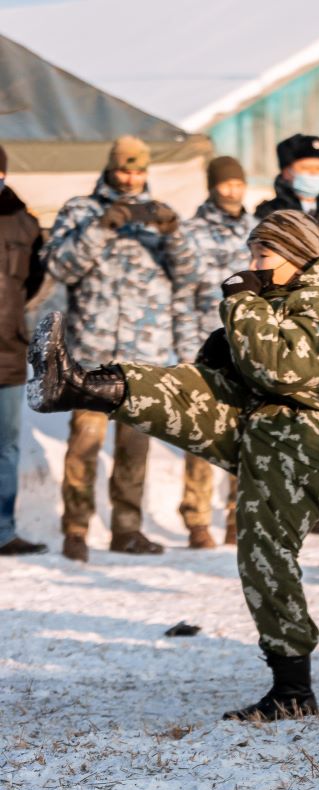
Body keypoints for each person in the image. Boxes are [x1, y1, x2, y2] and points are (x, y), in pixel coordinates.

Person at [28, 210, 319, 720]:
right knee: (188, 390)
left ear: (297, 258)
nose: (252, 265)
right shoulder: (283, 300)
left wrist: (241, 303)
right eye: (251, 254)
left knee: (265, 551)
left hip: (316, 443)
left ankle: (292, 692)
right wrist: (222, 353)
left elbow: (280, 369)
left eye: (264, 255)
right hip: (273, 428)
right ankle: (80, 386)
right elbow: (239, 372)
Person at [42, 136, 194, 562]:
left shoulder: (161, 215)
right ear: (110, 168)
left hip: (142, 356)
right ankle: (75, 530)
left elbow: (190, 273)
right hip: (93, 352)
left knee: (135, 446)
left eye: (139, 171)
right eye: (125, 170)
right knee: (85, 443)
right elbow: (60, 267)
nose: (131, 179)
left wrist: (173, 232)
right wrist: (102, 226)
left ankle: (127, 529)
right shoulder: (80, 211)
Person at [255, 134, 319, 535]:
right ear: (286, 172)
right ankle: (298, 503)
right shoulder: (272, 213)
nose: (316, 176)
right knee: (295, 415)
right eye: (307, 169)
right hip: (289, 323)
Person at [173, 156, 253, 549]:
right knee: (203, 434)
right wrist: (187, 347)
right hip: (205, 347)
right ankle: (197, 519)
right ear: (211, 185)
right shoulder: (190, 231)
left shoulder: (255, 232)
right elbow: (181, 294)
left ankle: (239, 517)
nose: (232, 189)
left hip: (248, 348)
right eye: (225, 183)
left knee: (246, 437)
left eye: (238, 183)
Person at [0, 144, 48, 557]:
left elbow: (34, 281)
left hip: (8, 350)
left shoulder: (25, 223)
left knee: (7, 444)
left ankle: (3, 531)